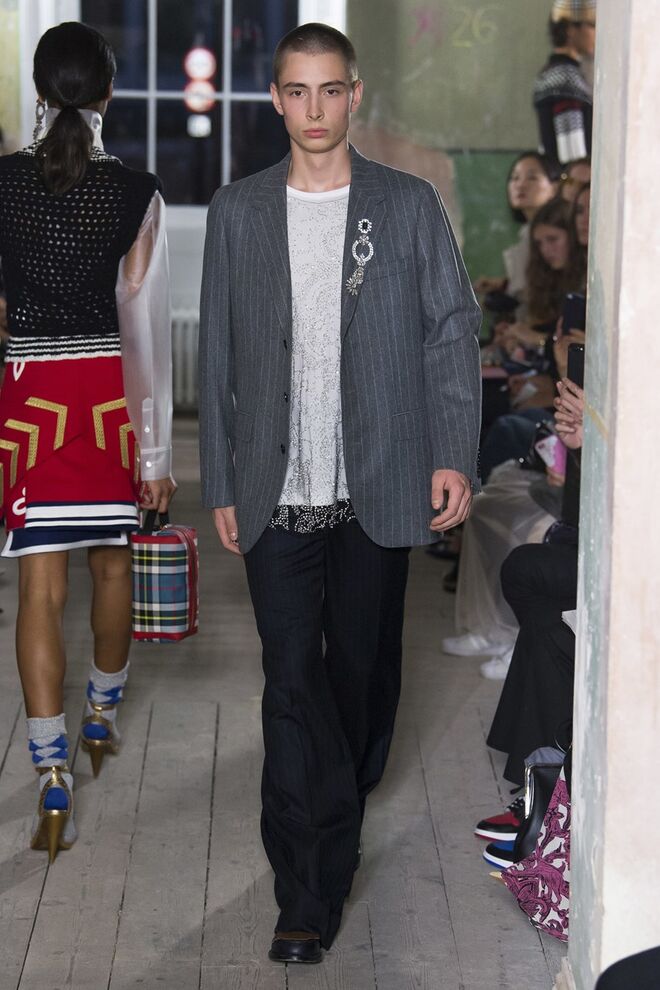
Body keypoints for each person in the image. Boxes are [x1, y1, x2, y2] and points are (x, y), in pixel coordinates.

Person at [198, 22, 481, 965]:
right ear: (276, 99)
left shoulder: (406, 204)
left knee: (359, 679)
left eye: (330, 90)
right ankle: (305, 891)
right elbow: (219, 349)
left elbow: (449, 331)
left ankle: (342, 804)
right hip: (275, 485)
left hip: (379, 480)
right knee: (290, 680)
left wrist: (453, 451)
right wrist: (222, 478)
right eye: (296, 91)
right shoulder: (239, 210)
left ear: (354, 95)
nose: (313, 109)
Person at [0, 22, 175, 862]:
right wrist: (157, 454)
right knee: (113, 566)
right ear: (109, 92)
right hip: (107, 400)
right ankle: (101, 716)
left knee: (38, 590)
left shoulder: (2, 183)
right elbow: (144, 327)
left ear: (39, 90)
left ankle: (49, 769)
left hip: (28, 402)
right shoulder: (136, 192)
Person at [533, 1, 596, 165]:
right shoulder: (566, 77)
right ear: (570, 29)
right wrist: (578, 176)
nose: (596, 33)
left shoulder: (552, 72)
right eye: (591, 25)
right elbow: (572, 154)